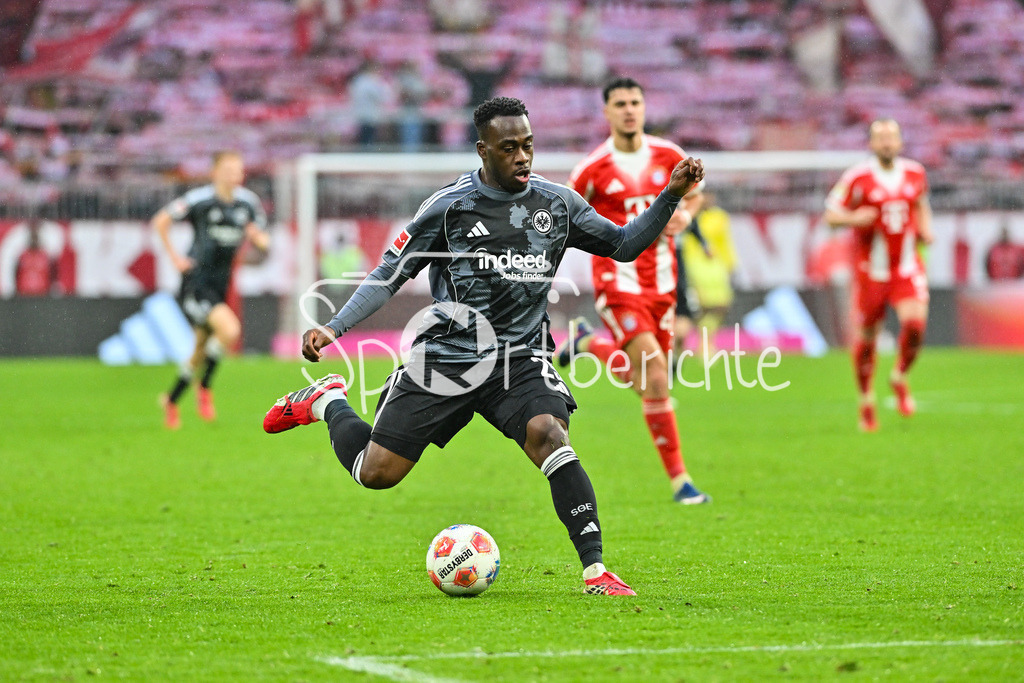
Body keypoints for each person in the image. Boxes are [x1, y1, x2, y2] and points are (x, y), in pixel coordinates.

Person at [262, 97, 704, 596]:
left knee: (550, 435)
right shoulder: (448, 208)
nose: (522, 157)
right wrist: (336, 326)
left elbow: (623, 244)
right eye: (509, 148)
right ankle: (327, 401)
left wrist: (670, 195)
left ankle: (596, 571)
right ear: (483, 150)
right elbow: (388, 275)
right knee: (376, 474)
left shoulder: (557, 205)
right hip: (447, 359)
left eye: (528, 146)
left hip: (519, 359)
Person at [558, 77, 709, 505]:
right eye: (620, 103)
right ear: (606, 112)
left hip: (663, 282)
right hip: (618, 282)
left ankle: (589, 343)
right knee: (658, 377)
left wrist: (686, 215)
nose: (629, 110)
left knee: (648, 385)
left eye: (635, 102)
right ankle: (682, 483)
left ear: (644, 108)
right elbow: (569, 216)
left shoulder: (669, 155)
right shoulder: (590, 170)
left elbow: (696, 196)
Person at [824, 119, 932, 432]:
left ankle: (899, 375)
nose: (887, 143)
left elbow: (921, 204)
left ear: (900, 142)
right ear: (871, 144)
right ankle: (866, 401)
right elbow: (830, 215)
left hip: (907, 267)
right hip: (871, 272)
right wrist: (854, 217)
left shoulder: (916, 173)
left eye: (892, 137)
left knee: (915, 325)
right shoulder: (857, 178)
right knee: (868, 337)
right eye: (880, 138)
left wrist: (926, 227)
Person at [153, 151, 270, 429]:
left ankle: (171, 400)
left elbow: (264, 240)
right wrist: (175, 258)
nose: (234, 175)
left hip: (220, 286)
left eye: (238, 170)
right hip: (196, 284)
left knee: (199, 350)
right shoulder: (200, 200)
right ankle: (204, 388)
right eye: (228, 169)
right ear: (215, 172)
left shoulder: (248, 203)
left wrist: (259, 240)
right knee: (229, 331)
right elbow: (161, 221)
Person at [683, 191, 737, 355]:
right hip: (694, 263)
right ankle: (701, 343)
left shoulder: (720, 217)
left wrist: (730, 263)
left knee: (721, 304)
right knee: (701, 305)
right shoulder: (688, 215)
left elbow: (725, 241)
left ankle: (707, 340)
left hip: (715, 265)